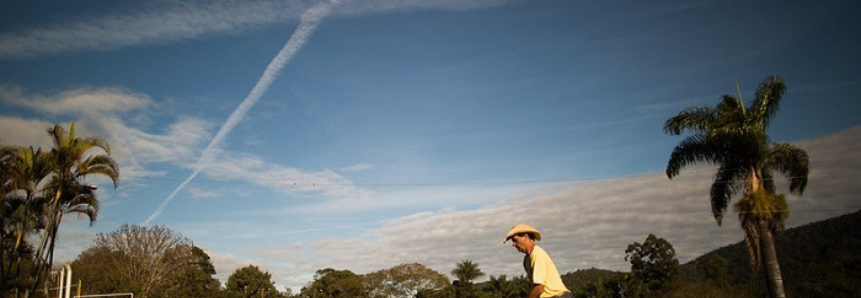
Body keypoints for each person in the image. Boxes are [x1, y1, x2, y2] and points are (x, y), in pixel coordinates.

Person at [504, 223, 571, 298]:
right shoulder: (526, 260)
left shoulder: (537, 254)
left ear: (525, 237)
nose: (513, 244)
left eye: (515, 240)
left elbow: (539, 288)